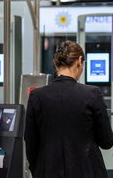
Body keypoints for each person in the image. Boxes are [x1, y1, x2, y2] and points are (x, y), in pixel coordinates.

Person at [24, 40, 113, 178]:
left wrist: (39, 170)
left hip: (47, 171)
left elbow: (30, 143)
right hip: (87, 171)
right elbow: (106, 141)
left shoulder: (37, 96)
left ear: (56, 64)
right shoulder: (92, 93)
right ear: (79, 61)